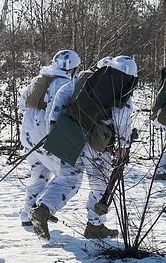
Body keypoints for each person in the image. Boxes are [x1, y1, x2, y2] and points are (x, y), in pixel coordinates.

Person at [31, 55, 138, 240]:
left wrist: (55, 124)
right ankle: (94, 226)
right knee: (100, 184)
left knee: (68, 179)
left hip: (71, 130)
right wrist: (123, 145)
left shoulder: (85, 77)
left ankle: (43, 209)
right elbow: (123, 117)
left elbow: (62, 95)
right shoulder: (121, 87)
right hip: (97, 142)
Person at [18, 49, 81, 226]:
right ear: (72, 69)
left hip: (28, 137)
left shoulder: (39, 79)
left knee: (40, 172)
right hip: (44, 137)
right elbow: (53, 114)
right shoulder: (63, 84)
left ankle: (28, 214)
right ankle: (43, 209)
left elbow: (22, 105)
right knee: (70, 177)